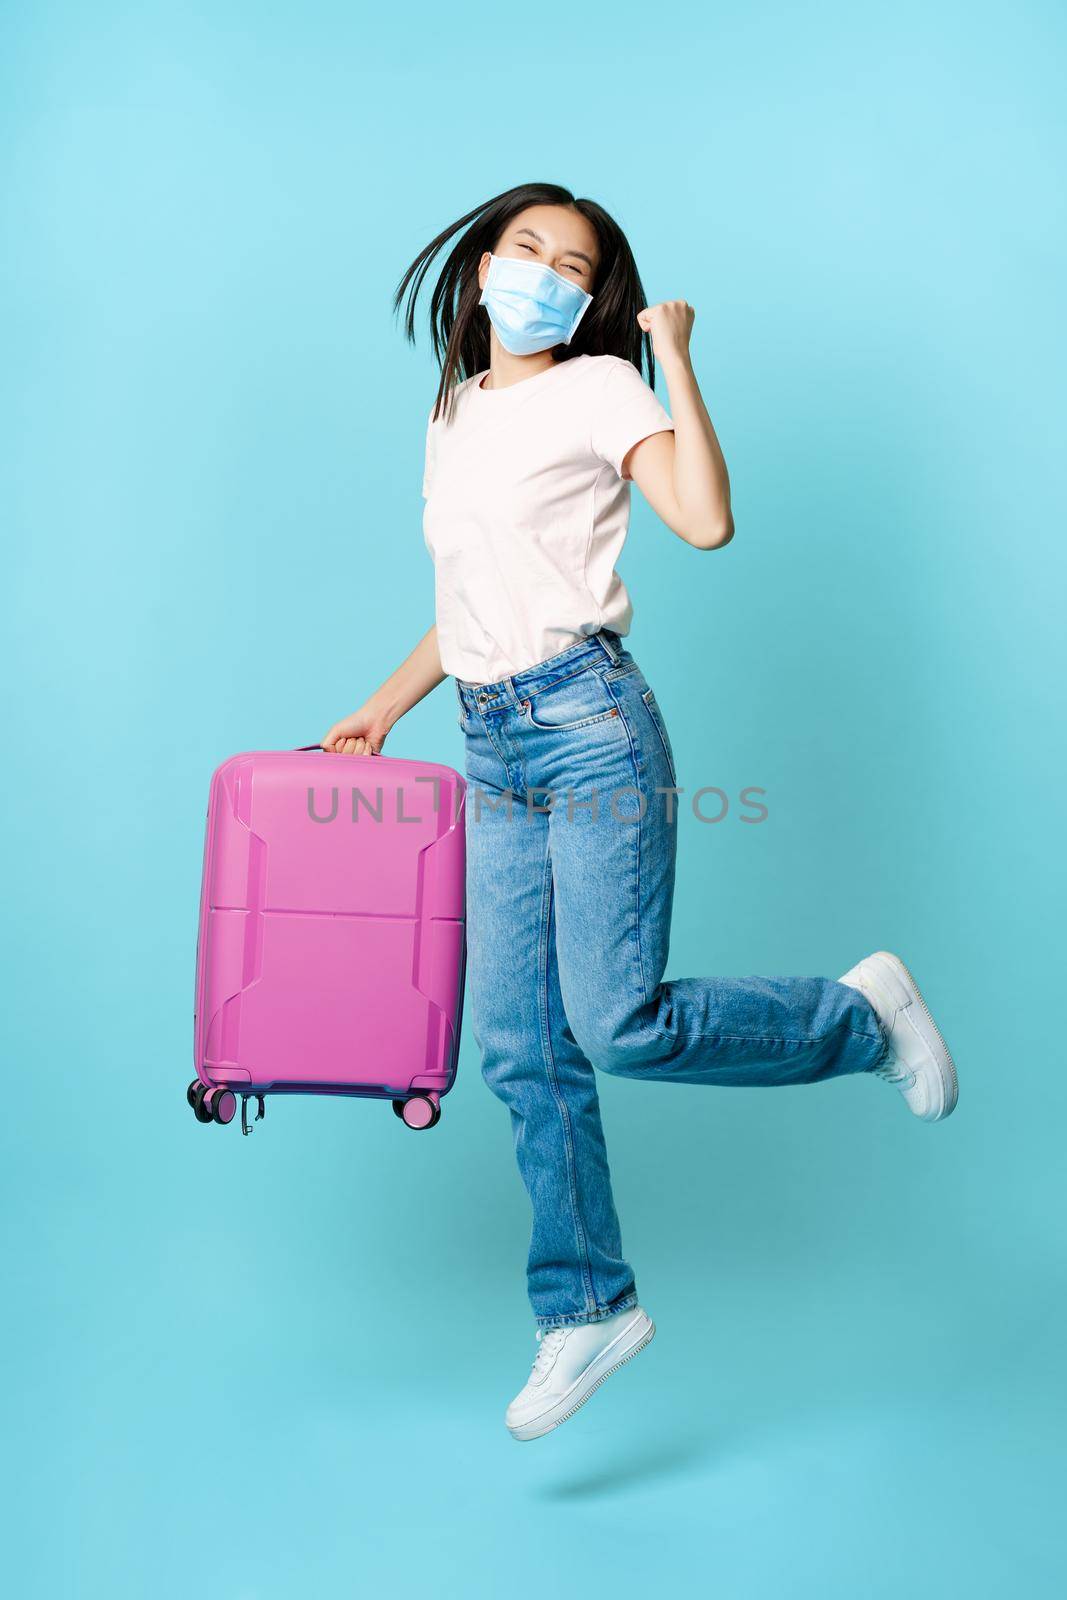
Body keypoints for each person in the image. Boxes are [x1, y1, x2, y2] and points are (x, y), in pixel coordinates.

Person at [321, 182, 958, 1443]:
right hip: (489, 740)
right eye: (525, 248)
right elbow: (470, 599)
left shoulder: (603, 386)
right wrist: (382, 707)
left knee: (613, 1020)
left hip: (591, 725)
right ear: (482, 258)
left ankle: (858, 1015)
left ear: (593, 292)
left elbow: (705, 521)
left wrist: (668, 357)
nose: (544, 274)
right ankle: (584, 1309)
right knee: (517, 1046)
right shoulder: (453, 408)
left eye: (573, 263)